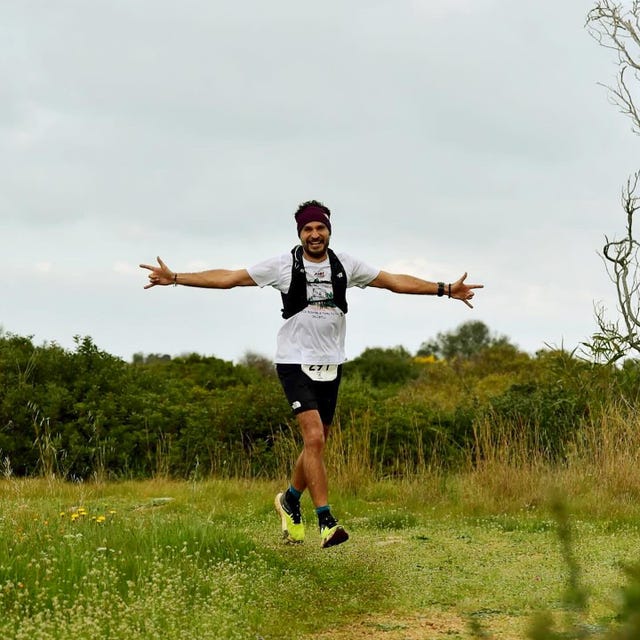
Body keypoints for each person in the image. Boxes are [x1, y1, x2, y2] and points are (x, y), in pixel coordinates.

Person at [140, 200, 483, 548]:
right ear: (300, 233)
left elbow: (394, 281)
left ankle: (290, 499)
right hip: (294, 362)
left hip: (332, 363)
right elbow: (230, 278)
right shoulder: (283, 266)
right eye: (307, 229)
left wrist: (445, 289)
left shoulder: (345, 265)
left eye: (320, 228)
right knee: (314, 438)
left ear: (329, 231)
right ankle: (327, 522)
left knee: (316, 444)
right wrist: (176, 278)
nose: (314, 234)